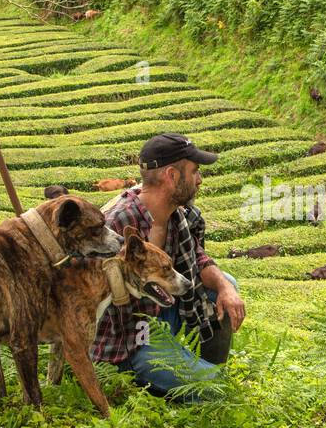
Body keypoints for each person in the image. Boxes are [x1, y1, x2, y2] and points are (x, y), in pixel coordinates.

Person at [91, 133, 246, 398]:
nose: (199, 180)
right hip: (129, 339)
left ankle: (205, 365)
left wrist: (223, 287)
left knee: (227, 283)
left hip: (160, 314)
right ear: (172, 176)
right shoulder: (117, 224)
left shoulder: (177, 215)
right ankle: (167, 372)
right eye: (195, 171)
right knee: (217, 389)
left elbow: (198, 259)